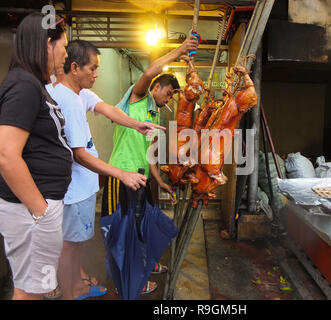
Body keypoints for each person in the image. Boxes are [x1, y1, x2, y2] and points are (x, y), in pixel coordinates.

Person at [45, 40, 165, 300]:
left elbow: (108, 110)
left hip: (82, 188)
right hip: (75, 190)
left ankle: (76, 281)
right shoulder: (67, 100)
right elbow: (80, 155)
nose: (97, 74)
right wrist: (121, 174)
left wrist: (137, 125)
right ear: (75, 68)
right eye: (93, 68)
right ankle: (71, 290)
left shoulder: (80, 93)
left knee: (74, 243)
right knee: (70, 245)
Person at [101, 35, 199, 294]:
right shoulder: (136, 98)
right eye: (167, 93)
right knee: (126, 231)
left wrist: (162, 183)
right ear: (156, 87)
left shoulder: (154, 114)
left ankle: (148, 264)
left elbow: (150, 157)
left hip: (142, 178)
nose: (168, 100)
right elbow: (149, 71)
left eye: (170, 98)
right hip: (121, 176)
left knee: (146, 223)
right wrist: (180, 50)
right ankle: (134, 280)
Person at [0, 13, 71, 300]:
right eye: (63, 48)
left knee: (29, 288)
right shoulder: (24, 86)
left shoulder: (30, 84)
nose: (65, 56)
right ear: (46, 44)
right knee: (32, 293)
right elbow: (6, 155)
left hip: (33, 212)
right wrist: (41, 211)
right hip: (32, 213)